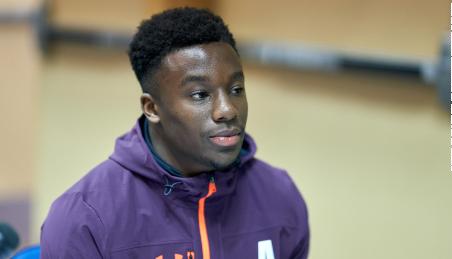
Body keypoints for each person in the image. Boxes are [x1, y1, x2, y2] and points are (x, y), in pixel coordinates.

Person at [40, 7, 309, 259]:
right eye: (200, 94)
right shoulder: (84, 219)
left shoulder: (279, 195)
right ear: (152, 108)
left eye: (236, 89)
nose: (227, 110)